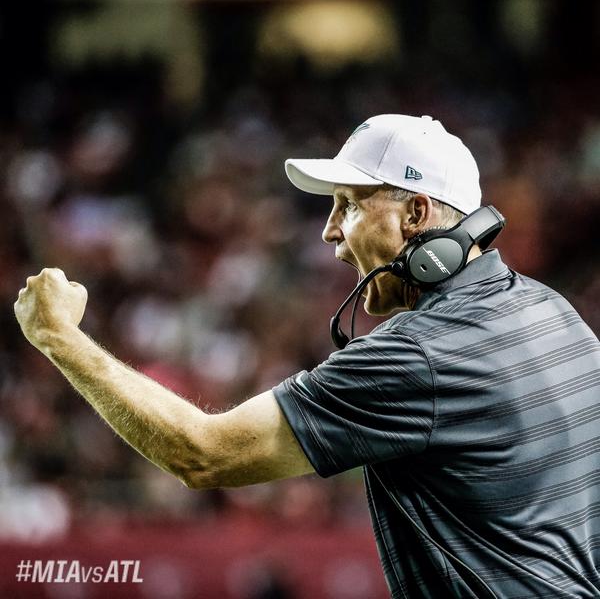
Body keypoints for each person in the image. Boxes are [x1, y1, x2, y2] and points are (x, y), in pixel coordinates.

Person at [14, 114, 600, 598]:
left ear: (416, 214)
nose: (329, 232)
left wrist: (60, 337)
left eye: (348, 205)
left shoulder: (418, 354)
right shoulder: (556, 313)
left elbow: (201, 454)